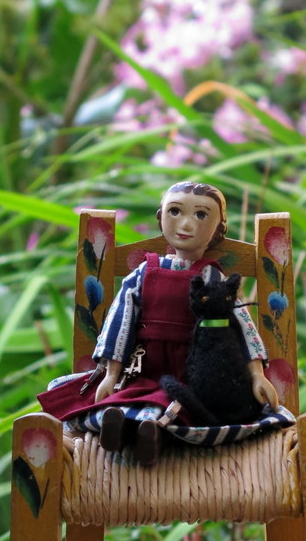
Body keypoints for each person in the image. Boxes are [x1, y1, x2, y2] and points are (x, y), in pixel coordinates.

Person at [37, 181, 290, 465]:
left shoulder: (212, 278)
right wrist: (111, 372)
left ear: (219, 229)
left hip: (191, 371)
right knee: (128, 396)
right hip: (144, 366)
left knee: (178, 404)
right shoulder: (144, 272)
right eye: (175, 211)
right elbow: (121, 319)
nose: (186, 224)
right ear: (160, 218)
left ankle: (152, 434)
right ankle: (119, 426)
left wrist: (257, 374)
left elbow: (242, 323)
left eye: (201, 215)